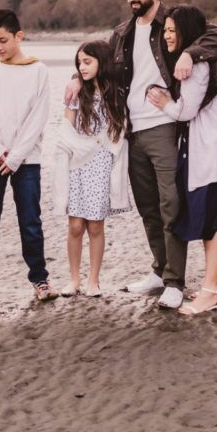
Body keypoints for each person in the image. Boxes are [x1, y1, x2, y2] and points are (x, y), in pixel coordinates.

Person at [65, 0, 217, 309]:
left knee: (171, 204)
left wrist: (188, 51)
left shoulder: (174, 23)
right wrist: (77, 78)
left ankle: (174, 281)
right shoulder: (122, 32)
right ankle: (159, 270)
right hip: (130, 131)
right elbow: (97, 61)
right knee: (148, 207)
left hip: (164, 128)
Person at [147, 4, 217, 316]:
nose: (167, 36)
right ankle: (216, 283)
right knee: (210, 223)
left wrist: (164, 103)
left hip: (216, 158)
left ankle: (209, 294)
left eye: (173, 31)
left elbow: (185, 112)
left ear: (188, 32)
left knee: (213, 226)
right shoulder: (204, 62)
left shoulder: (197, 67)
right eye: (165, 30)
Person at [0, 8, 57, 302]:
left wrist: (16, 157)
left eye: (3, 40)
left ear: (19, 36)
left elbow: (38, 117)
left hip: (27, 160)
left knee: (31, 221)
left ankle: (40, 279)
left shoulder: (38, 70)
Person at [54, 39, 131, 297]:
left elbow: (119, 131)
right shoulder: (77, 93)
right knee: (75, 225)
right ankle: (74, 279)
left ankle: (93, 280)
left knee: (96, 225)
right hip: (77, 162)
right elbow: (66, 127)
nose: (82, 67)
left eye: (87, 62)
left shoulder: (116, 93)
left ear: (102, 62)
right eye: (79, 63)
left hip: (101, 162)